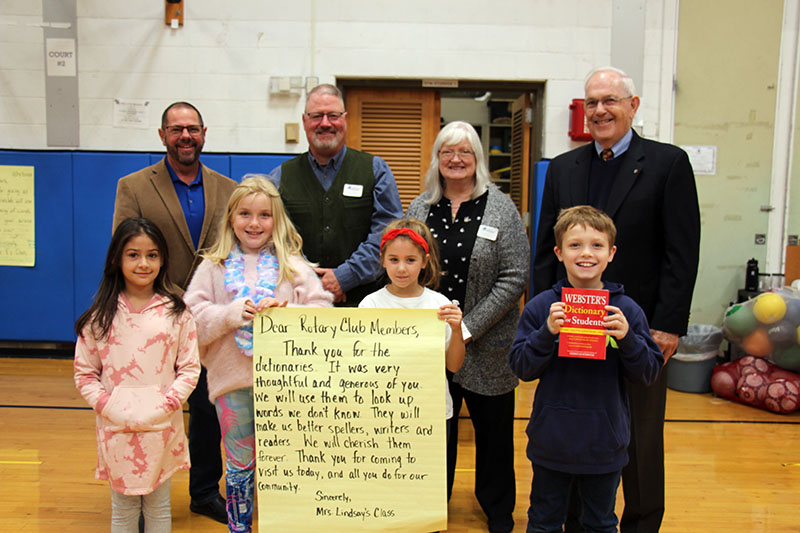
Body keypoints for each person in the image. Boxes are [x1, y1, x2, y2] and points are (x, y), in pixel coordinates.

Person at [533, 67, 701, 533]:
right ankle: (574, 521)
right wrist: (541, 316)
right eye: (592, 103)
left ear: (634, 105)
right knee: (574, 434)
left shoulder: (668, 164)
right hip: (571, 327)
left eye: (610, 100)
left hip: (636, 330)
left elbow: (681, 252)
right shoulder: (566, 167)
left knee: (641, 440)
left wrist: (667, 325)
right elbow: (546, 249)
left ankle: (642, 524)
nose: (600, 110)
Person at [184, 176, 333, 532]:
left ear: (276, 220)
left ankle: (288, 523)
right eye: (245, 214)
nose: (254, 223)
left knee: (287, 461)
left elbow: (323, 312)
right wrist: (230, 314)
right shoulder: (213, 266)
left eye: (264, 215)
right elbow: (191, 321)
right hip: (231, 384)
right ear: (231, 217)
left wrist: (284, 314)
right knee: (239, 463)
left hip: (286, 387)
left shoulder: (293, 266)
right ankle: (240, 527)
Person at [113, 101, 237, 524]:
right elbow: (124, 250)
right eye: (176, 129)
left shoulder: (227, 187)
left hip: (209, 320)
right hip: (154, 314)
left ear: (204, 133)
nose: (186, 136)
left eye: (193, 129)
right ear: (162, 135)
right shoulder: (133, 186)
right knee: (151, 407)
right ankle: (145, 492)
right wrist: (168, 297)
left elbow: (235, 252)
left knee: (205, 407)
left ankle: (204, 491)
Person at [407, 121, 530, 533]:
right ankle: (428, 507)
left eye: (465, 152)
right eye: (447, 152)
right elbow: (406, 266)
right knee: (430, 433)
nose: (456, 159)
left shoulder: (501, 207)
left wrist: (467, 329)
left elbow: (514, 278)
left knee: (493, 437)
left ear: (477, 159)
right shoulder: (420, 208)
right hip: (428, 346)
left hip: (488, 345)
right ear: (437, 160)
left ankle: (497, 511)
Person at [510, 206, 664, 533]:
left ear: (611, 253)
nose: (586, 253)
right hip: (552, 443)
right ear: (559, 252)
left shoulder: (625, 310)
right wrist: (546, 333)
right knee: (543, 522)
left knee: (599, 523)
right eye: (575, 245)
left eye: (597, 245)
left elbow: (649, 373)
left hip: (604, 445)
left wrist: (628, 339)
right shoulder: (542, 308)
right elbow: (521, 368)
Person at [74, 217, 200, 532]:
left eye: (152, 255)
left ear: (162, 260)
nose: (143, 263)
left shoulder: (177, 313)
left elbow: (189, 367)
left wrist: (168, 403)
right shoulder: (99, 317)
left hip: (161, 427)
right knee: (123, 509)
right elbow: (85, 373)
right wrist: (107, 405)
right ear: (117, 258)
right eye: (133, 254)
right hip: (118, 428)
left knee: (159, 507)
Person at [268, 83, 403, 306]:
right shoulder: (279, 177)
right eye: (316, 116)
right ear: (304, 121)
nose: (325, 123)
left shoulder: (376, 170)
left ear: (345, 119)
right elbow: (273, 239)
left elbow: (389, 230)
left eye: (333, 115)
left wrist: (345, 277)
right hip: (299, 304)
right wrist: (312, 281)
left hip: (365, 305)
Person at [359, 218, 466, 441]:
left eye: (410, 260)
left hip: (431, 412)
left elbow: (454, 365)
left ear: (424, 261)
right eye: (394, 259)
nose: (401, 268)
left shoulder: (440, 304)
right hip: (382, 412)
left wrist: (457, 331)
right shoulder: (370, 305)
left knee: (432, 475)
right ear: (383, 260)